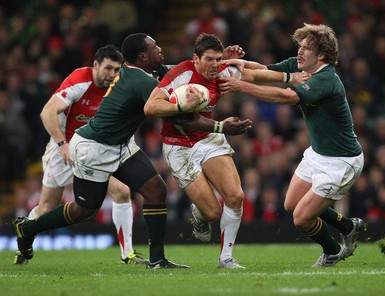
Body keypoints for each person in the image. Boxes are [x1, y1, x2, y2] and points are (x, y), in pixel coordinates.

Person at [13, 33, 251, 269]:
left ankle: (157, 260)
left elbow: (179, 70)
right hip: (94, 148)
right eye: (155, 47)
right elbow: (183, 117)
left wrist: (218, 62)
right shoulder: (142, 82)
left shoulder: (146, 73)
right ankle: (28, 228)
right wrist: (221, 126)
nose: (160, 49)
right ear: (143, 57)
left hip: (121, 145)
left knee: (156, 190)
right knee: (83, 210)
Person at [218, 23, 366, 267]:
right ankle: (348, 226)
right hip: (318, 153)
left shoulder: (326, 79)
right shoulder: (301, 68)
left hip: (341, 161)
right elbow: (262, 71)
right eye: (299, 46)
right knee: (291, 204)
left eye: (306, 48)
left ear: (321, 55)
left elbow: (285, 96)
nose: (299, 52)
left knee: (301, 219)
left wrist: (241, 86)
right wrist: (237, 65)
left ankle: (332, 250)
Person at [13, 45, 149, 266]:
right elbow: (47, 111)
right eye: (107, 68)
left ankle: (128, 254)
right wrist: (62, 143)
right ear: (95, 65)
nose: (112, 75)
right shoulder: (80, 80)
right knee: (47, 207)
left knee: (122, 191)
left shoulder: (118, 84)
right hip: (65, 147)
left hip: (97, 149)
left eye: (116, 69)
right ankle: (26, 235)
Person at [144, 33, 267, 269]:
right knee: (211, 212)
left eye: (218, 59)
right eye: (209, 59)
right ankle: (199, 214)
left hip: (208, 139)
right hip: (178, 145)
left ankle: (226, 258)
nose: (214, 64)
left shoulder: (221, 71)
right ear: (196, 58)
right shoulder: (181, 74)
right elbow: (150, 107)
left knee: (236, 195)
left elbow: (258, 71)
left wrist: (290, 76)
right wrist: (180, 105)